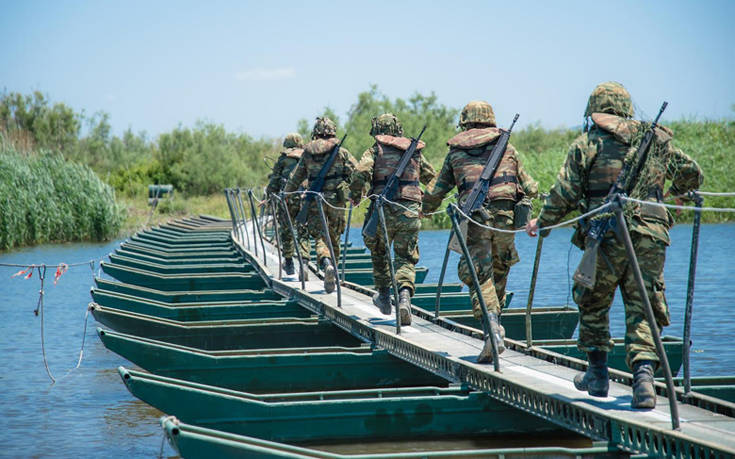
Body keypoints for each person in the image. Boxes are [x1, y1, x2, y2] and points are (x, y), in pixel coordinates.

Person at [525, 81, 703, 408]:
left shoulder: (587, 143)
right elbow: (692, 173)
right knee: (645, 307)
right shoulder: (654, 142)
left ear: (595, 111)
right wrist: (671, 197)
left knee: (592, 301)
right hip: (650, 236)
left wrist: (543, 223)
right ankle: (644, 380)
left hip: (606, 237)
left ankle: (597, 374)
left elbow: (564, 194)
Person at [423, 101, 538, 362]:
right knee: (498, 271)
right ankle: (494, 328)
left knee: (476, 272)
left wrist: (425, 208)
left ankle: (492, 330)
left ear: (465, 122)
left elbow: (435, 191)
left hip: (475, 220)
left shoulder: (456, 152)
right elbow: (530, 187)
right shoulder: (507, 147)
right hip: (505, 218)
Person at [349, 113, 436, 325]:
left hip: (383, 210)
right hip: (410, 211)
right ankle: (404, 297)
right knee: (405, 258)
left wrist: (355, 194)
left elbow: (360, 171)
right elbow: (433, 178)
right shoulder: (414, 152)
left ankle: (385, 296)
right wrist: (428, 206)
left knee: (378, 248)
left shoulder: (374, 150)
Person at [284, 117, 356, 293]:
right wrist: (356, 193)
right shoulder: (342, 152)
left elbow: (295, 178)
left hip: (315, 200)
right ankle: (333, 271)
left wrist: (286, 194)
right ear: (333, 131)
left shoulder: (308, 153)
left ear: (316, 132)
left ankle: (326, 262)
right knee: (334, 238)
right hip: (337, 201)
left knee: (320, 238)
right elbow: (357, 172)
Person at [265, 133, 311, 277]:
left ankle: (289, 263)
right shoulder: (308, 156)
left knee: (286, 230)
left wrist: (269, 196)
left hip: (287, 198)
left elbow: (274, 181)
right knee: (303, 231)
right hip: (304, 197)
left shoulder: (283, 158)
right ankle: (304, 264)